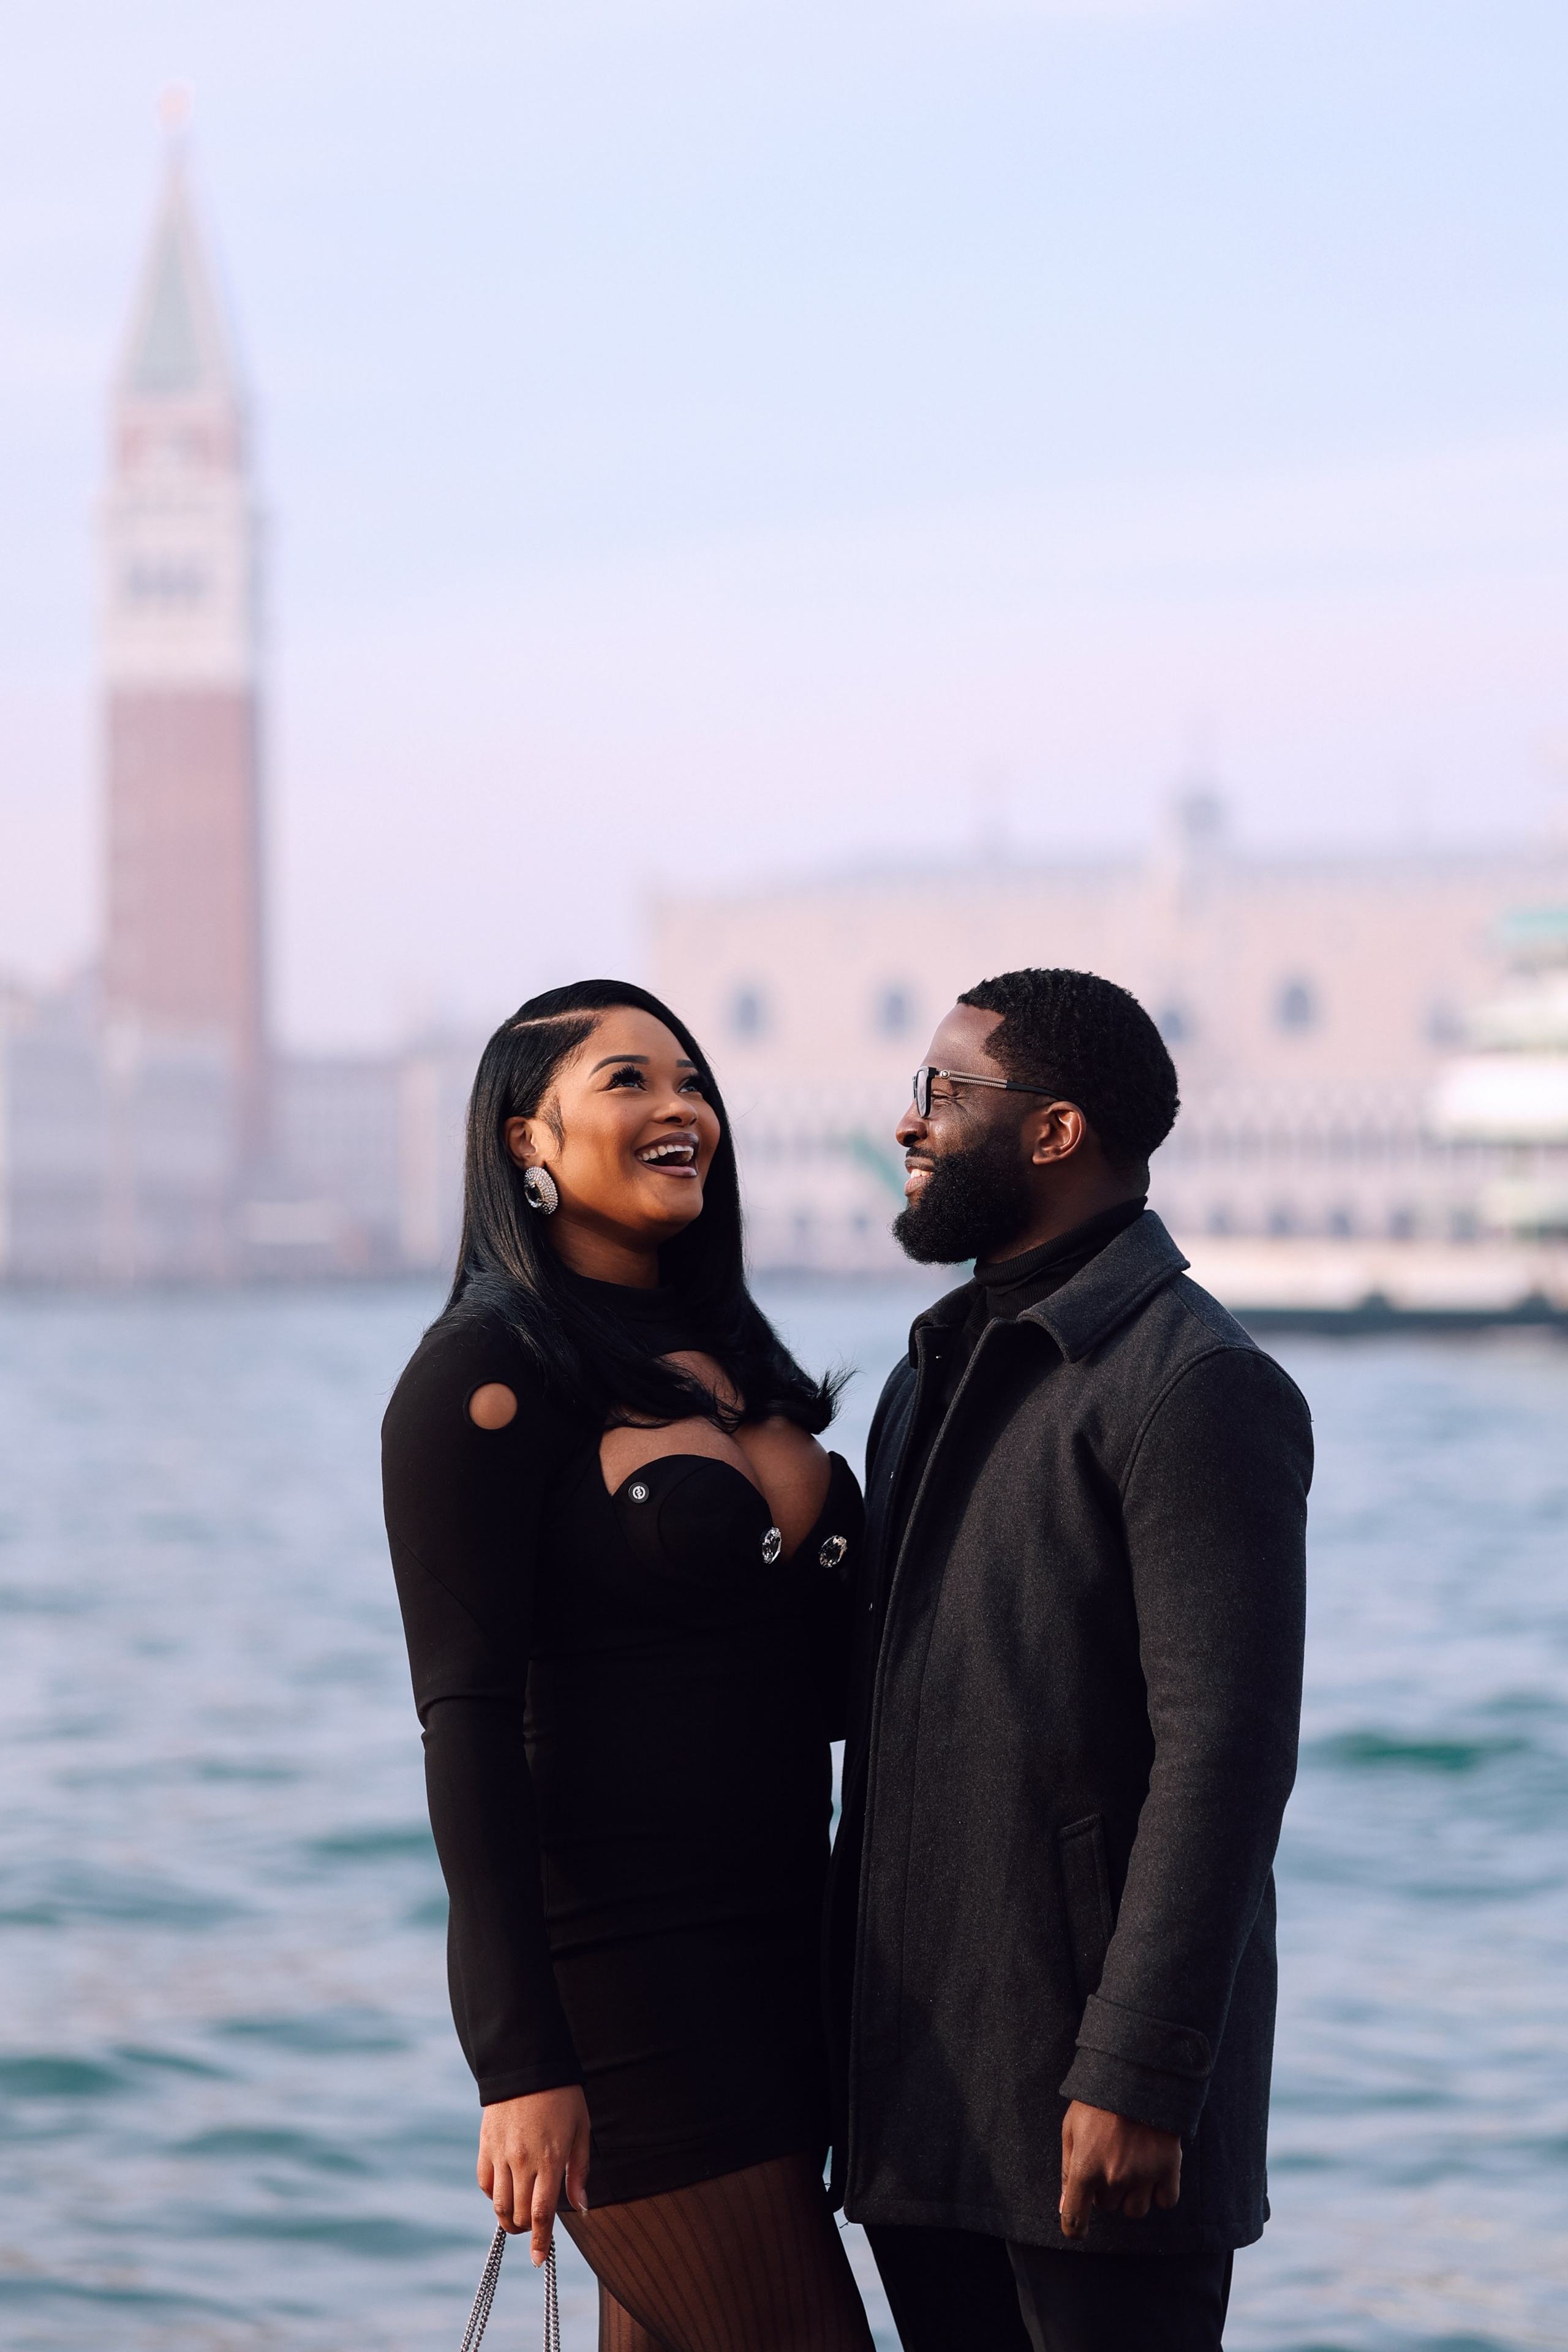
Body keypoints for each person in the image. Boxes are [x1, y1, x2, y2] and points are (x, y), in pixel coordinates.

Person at [382, 980, 875, 2352]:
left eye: (693, 1082)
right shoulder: (483, 1375)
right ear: (525, 1143)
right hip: (625, 1990)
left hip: (786, 1956)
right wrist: (517, 2065)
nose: (680, 1109)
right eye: (628, 1082)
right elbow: (464, 1726)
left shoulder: (730, 1355)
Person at [827, 967, 1312, 2352]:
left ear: (1051, 1133)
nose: (908, 1125)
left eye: (940, 1092)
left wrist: (1142, 2071)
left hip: (1096, 2113)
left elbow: (1224, 1755)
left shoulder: (1192, 1383)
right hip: (926, 2105)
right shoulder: (935, 1366)